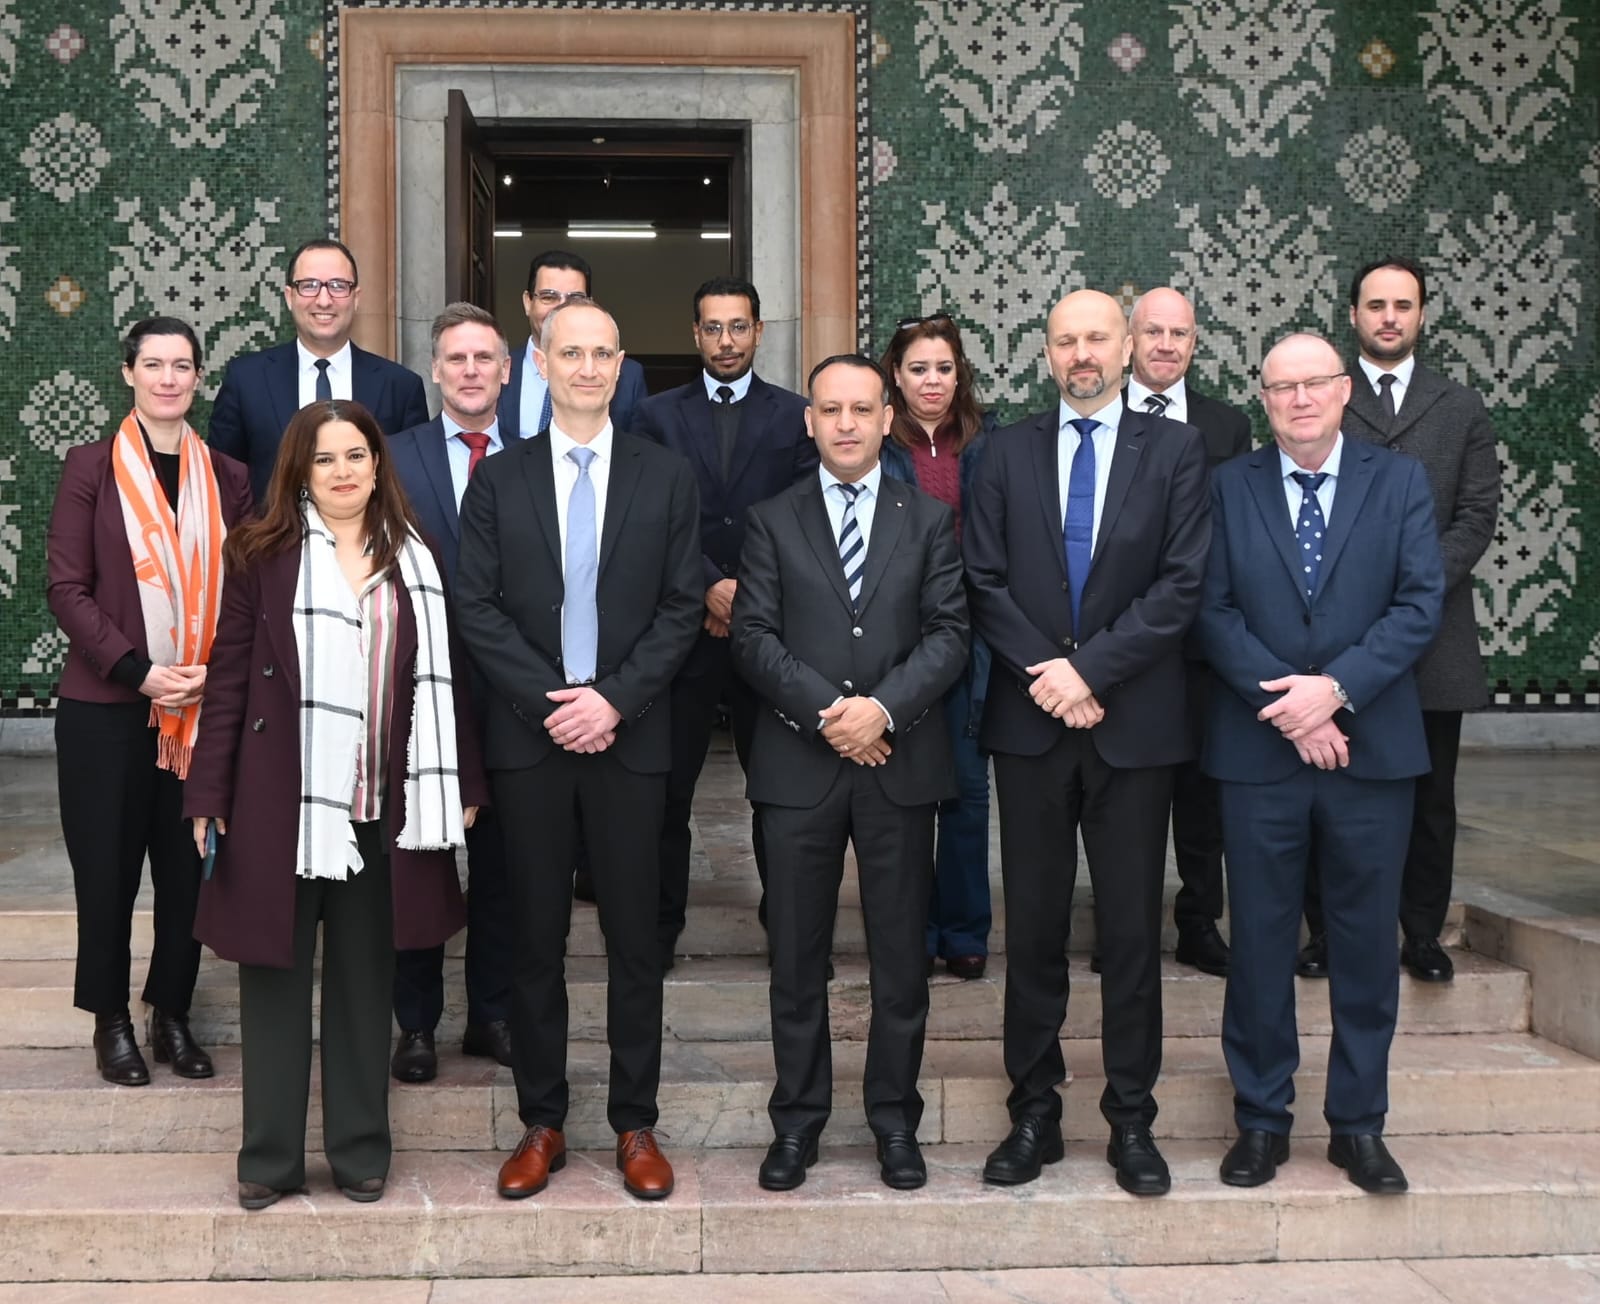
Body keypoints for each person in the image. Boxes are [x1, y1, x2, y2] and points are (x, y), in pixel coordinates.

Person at [184, 400, 486, 1210]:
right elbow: (228, 678)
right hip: (280, 809)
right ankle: (269, 1158)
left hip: (381, 810)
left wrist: (464, 783)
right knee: (274, 984)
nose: (344, 471)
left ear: (378, 465)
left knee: (364, 986)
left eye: (357, 455)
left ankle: (358, 1151)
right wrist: (207, 791)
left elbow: (447, 679)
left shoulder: (417, 557)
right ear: (300, 472)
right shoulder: (261, 556)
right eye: (325, 459)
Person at [455, 298, 702, 1202]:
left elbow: (683, 606)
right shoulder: (500, 480)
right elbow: (476, 605)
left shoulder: (665, 476)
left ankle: (635, 1122)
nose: (588, 368)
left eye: (603, 353)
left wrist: (614, 701)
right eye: (572, 353)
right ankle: (543, 1122)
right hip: (533, 741)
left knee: (636, 941)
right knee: (534, 940)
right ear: (540, 364)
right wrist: (554, 703)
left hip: (630, 739)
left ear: (621, 364)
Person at [964, 289, 1209, 1197]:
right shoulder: (1003, 452)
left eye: (1097, 337)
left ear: (1128, 345)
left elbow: (1181, 585)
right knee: (1031, 930)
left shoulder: (1176, 450)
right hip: (1032, 728)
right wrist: (1052, 676)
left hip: (1132, 728)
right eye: (1065, 340)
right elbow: (982, 580)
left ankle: (1131, 1118)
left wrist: (1090, 672)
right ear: (1045, 353)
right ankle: (1033, 1111)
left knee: (1132, 932)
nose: (1082, 354)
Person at [1197, 333, 1443, 1194]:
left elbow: (1419, 604)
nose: (1299, 399)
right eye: (1281, 387)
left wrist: (1334, 691)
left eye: (1314, 384)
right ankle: (1261, 1120)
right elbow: (1212, 610)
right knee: (1260, 943)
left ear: (1344, 392)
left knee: (1367, 945)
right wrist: (1293, 709)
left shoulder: (1399, 481)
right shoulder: (1228, 486)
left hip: (1371, 754)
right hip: (1259, 753)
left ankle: (1358, 1126)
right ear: (1263, 399)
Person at [733, 353, 968, 1192]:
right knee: (797, 962)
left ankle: (894, 1122)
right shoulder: (771, 519)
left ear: (886, 419)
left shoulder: (928, 520)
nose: (845, 423)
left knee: (900, 960)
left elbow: (950, 633)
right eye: (830, 409)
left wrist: (883, 712)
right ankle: (797, 1124)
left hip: (899, 765)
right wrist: (835, 714)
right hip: (799, 768)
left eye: (861, 409)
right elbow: (752, 635)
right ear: (809, 421)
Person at [45, 316, 253, 1086]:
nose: (169, 378)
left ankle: (172, 1013)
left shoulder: (228, 476)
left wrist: (213, 670)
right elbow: (66, 588)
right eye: (154, 364)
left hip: (200, 708)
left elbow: (249, 590)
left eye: (183, 366)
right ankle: (111, 1020)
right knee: (106, 872)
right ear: (128, 372)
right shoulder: (90, 467)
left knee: (188, 870)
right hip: (107, 709)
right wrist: (139, 671)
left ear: (198, 377)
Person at [1297, 258, 1500, 985]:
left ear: (1421, 315)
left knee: (1429, 797)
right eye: (1376, 304)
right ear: (1353, 313)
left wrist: (1411, 583)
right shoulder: (1322, 394)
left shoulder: (1460, 406)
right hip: (1334, 637)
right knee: (1328, 788)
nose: (1389, 317)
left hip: (1434, 639)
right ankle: (1326, 932)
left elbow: (1476, 517)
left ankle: (1421, 933)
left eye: (1403, 305)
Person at [636, 276, 814, 962]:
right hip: (683, 633)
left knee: (780, 789)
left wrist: (745, 597)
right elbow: (649, 515)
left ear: (759, 331)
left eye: (738, 326)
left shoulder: (795, 415)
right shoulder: (655, 416)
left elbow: (802, 515)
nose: (726, 340)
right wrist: (710, 585)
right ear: (695, 334)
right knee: (668, 789)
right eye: (713, 327)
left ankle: (790, 926)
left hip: (769, 632)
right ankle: (658, 930)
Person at [385, 303, 519, 1082]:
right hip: (415, 696)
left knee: (503, 866)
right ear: (434, 371)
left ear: (507, 370)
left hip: (510, 697)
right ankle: (416, 1024)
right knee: (419, 858)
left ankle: (492, 1014)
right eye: (456, 358)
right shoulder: (391, 458)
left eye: (483, 358)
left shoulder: (537, 458)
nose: (470, 370)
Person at [1117, 287, 1253, 979]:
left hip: (1202, 649)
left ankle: (1199, 923)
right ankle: (1125, 931)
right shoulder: (1099, 417)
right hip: (1120, 645)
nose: (1167, 345)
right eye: (1154, 332)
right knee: (1126, 805)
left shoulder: (1227, 427)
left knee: (1203, 801)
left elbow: (1235, 534)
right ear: (1129, 341)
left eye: (1180, 334)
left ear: (1195, 343)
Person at [878, 312, 994, 980]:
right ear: (895, 375)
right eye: (918, 368)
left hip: (972, 638)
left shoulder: (987, 441)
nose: (932, 381)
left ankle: (965, 929)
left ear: (960, 374)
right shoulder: (876, 443)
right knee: (905, 795)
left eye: (944, 368)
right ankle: (914, 932)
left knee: (968, 790)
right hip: (897, 640)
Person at [208, 238, 429, 506]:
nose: (324, 300)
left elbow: (413, 488)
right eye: (309, 285)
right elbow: (223, 482)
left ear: (356, 298)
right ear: (289, 296)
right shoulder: (246, 380)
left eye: (338, 286)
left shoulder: (400, 387)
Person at [498, 249, 650, 439]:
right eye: (549, 297)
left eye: (575, 299)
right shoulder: (495, 370)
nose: (561, 308)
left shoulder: (629, 376)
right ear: (528, 302)